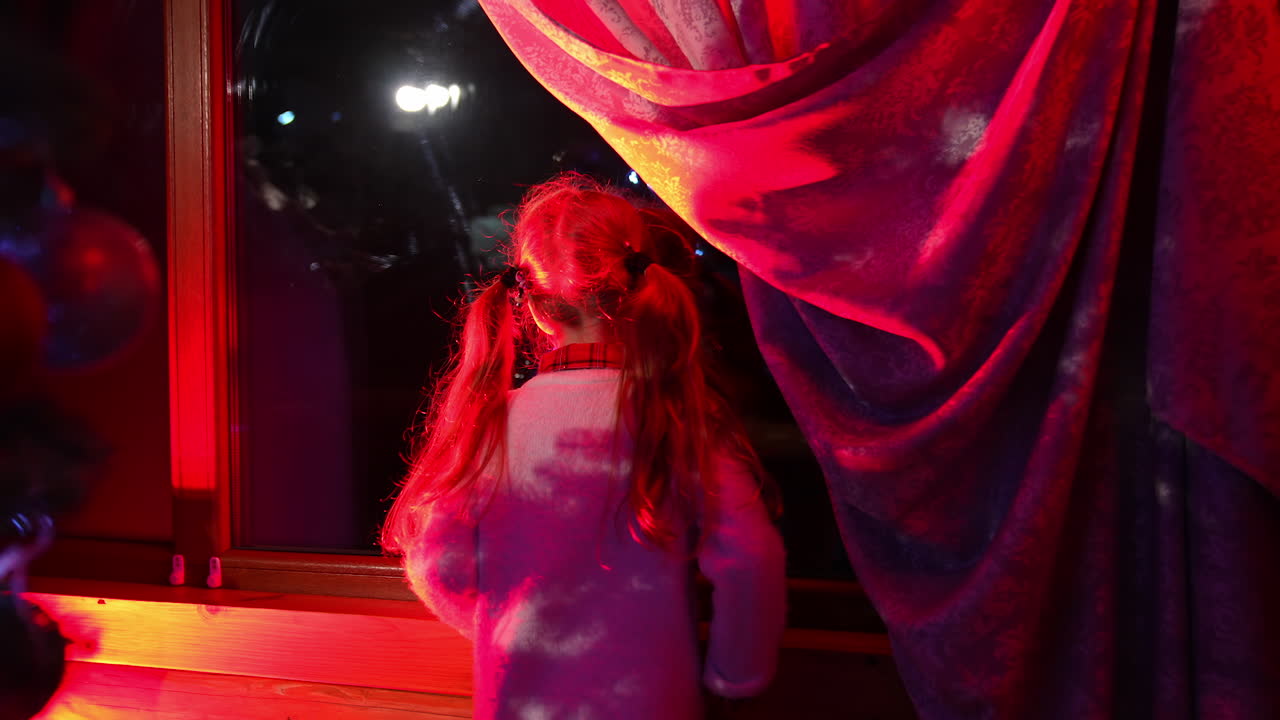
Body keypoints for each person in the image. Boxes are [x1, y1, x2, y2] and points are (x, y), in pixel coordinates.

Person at [382, 174, 787, 719]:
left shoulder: (492, 425)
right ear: (642, 288)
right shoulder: (678, 420)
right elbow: (750, 558)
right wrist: (734, 676)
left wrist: (509, 628)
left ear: (536, 308)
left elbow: (438, 567)